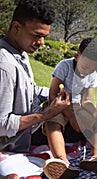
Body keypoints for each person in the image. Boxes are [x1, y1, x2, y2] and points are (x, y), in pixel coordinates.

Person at [0, 0, 71, 177]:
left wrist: (54, 93)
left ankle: (84, 157)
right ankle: (64, 162)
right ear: (16, 27)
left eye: (44, 36)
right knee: (56, 117)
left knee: (75, 111)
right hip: (11, 145)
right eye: (37, 35)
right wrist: (47, 114)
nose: (41, 42)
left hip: (27, 132)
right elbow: (2, 125)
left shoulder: (19, 53)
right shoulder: (4, 66)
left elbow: (29, 90)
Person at [42, 38, 97, 179]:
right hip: (58, 103)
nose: (87, 71)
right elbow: (52, 93)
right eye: (85, 67)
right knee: (53, 122)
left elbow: (87, 100)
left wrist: (93, 113)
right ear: (77, 57)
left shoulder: (92, 75)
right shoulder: (64, 66)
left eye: (92, 68)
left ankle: (95, 157)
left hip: (77, 106)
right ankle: (62, 161)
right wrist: (69, 114)